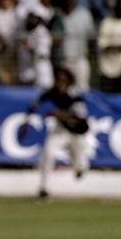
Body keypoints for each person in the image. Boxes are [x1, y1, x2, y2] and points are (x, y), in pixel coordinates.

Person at [19, 66, 90, 199]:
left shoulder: (75, 95)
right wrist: (26, 122)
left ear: (69, 81)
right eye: (58, 79)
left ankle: (78, 167)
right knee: (48, 152)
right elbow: (35, 105)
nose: (60, 83)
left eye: (63, 80)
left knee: (81, 165)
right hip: (61, 130)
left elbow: (79, 118)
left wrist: (60, 114)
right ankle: (43, 188)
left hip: (77, 132)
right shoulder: (52, 92)